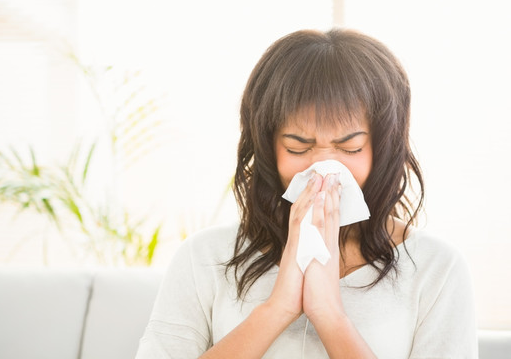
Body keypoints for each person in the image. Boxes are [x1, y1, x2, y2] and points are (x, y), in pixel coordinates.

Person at [135, 28, 478, 358]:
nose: (324, 168)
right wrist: (277, 309)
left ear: (381, 148)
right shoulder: (204, 257)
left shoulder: (437, 269)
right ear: (268, 146)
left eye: (350, 147)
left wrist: (329, 314)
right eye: (299, 146)